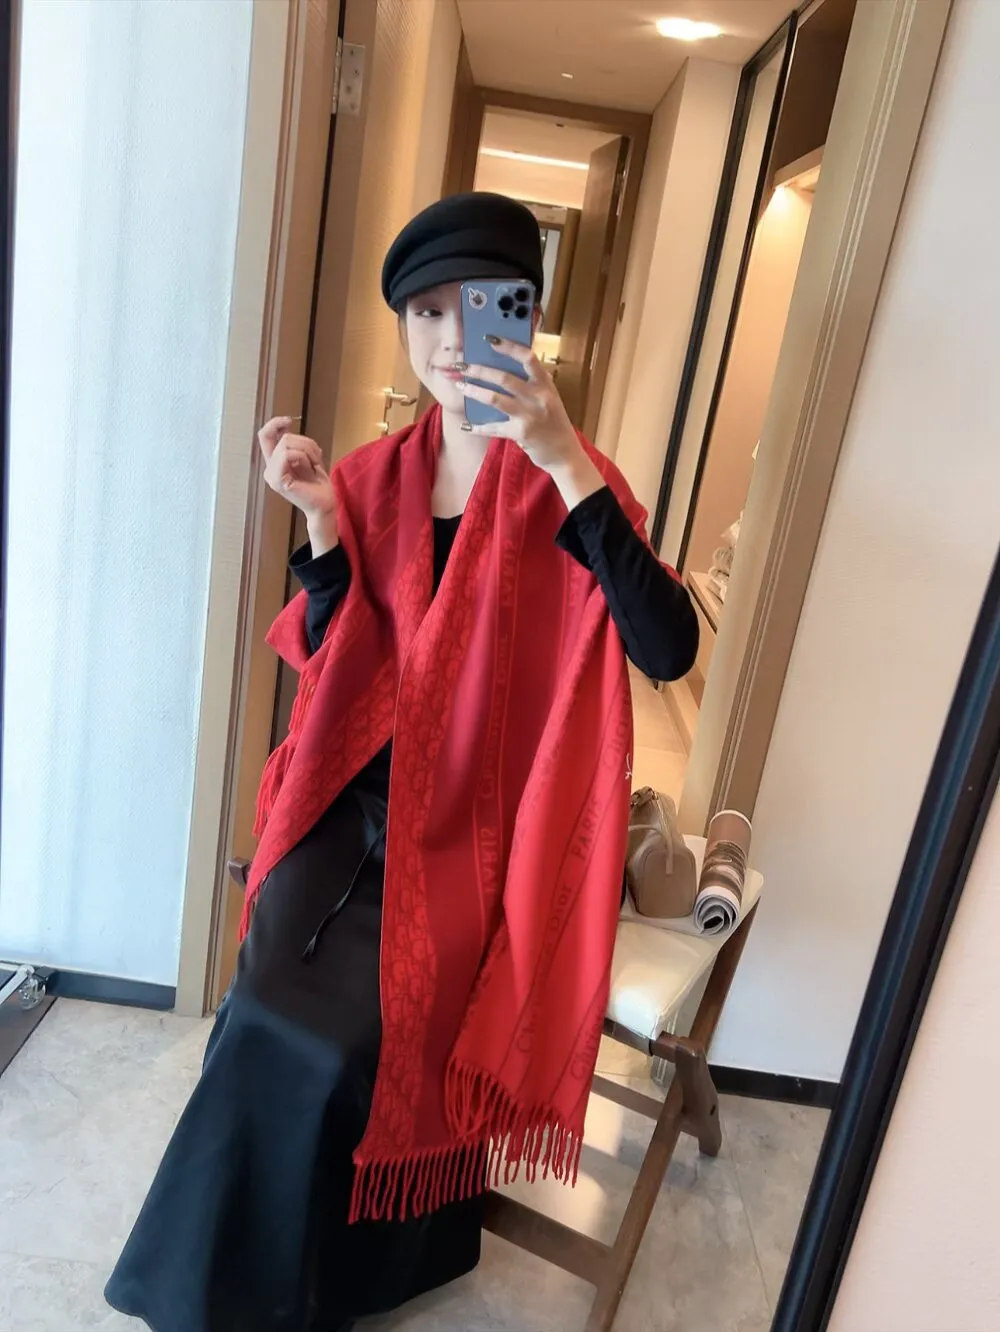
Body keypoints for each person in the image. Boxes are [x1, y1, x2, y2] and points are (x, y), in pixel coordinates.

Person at [105, 192, 699, 1332]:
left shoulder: (573, 482)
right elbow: (337, 651)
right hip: (350, 803)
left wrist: (562, 458)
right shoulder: (378, 474)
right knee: (268, 999)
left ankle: (322, 1281)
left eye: (477, 307)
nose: (448, 339)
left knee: (358, 1035)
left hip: (483, 831)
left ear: (526, 317)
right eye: (424, 312)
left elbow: (665, 648)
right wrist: (322, 526)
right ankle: (239, 1289)